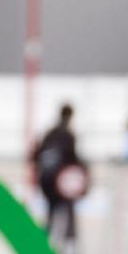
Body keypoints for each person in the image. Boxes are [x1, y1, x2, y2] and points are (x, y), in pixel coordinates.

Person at [31, 103, 85, 241]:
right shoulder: (69, 135)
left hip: (47, 179)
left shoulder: (49, 133)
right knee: (68, 213)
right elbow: (73, 161)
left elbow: (36, 156)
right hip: (62, 182)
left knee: (50, 213)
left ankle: (45, 242)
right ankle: (69, 243)